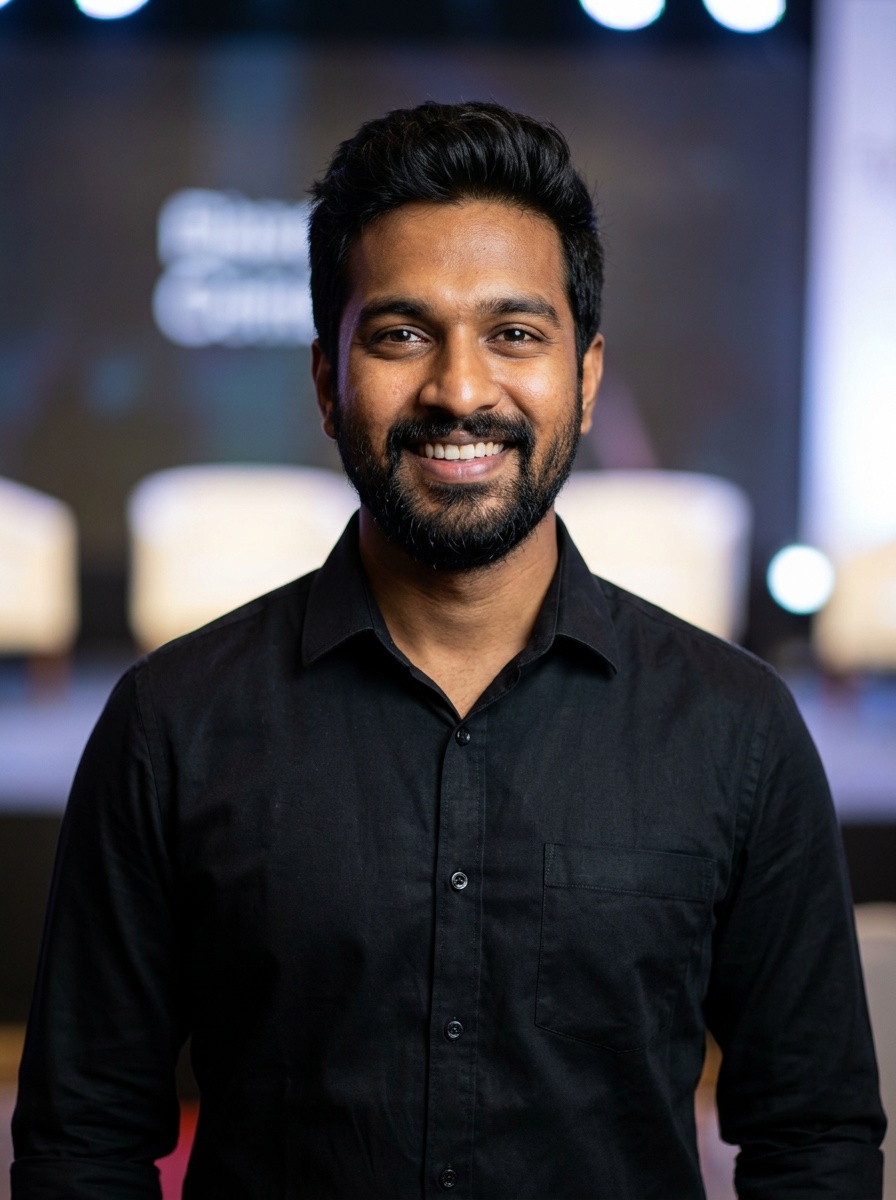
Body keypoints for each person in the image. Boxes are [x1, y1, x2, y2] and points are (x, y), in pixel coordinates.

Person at [12, 101, 885, 1200]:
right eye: (400, 335)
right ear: (327, 382)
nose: (460, 390)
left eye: (514, 334)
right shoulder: (170, 724)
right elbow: (81, 1144)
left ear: (587, 378)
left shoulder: (735, 731)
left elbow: (813, 1138)